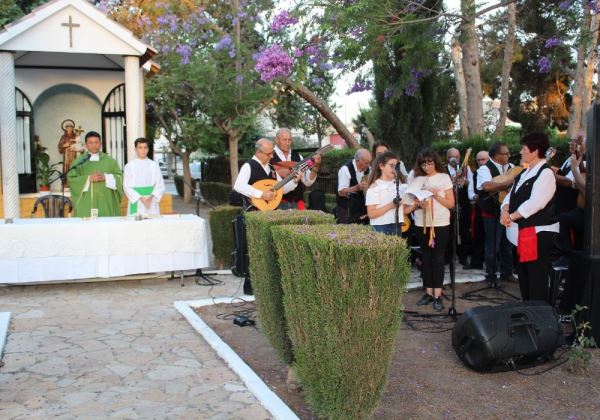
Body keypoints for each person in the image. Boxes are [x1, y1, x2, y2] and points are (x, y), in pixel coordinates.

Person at [501, 132, 559, 302]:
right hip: (523, 232)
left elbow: (536, 203)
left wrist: (511, 216)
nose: (521, 152)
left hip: (539, 233)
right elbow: (510, 196)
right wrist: (505, 211)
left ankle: (538, 313)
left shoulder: (545, 173)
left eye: (524, 148)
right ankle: (528, 308)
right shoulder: (524, 172)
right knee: (524, 274)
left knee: (536, 276)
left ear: (534, 151)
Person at [403, 148, 454, 311]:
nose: (427, 167)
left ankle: (437, 294)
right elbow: (408, 204)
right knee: (426, 257)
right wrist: (418, 203)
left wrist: (435, 195)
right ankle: (428, 292)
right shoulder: (416, 178)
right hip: (421, 222)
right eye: (423, 164)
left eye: (430, 163)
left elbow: (451, 204)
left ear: (435, 162)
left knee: (438, 258)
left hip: (440, 222)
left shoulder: (444, 177)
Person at [476, 142, 515, 284]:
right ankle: (490, 274)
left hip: (509, 212)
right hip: (491, 212)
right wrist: (509, 182)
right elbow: (487, 186)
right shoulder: (484, 169)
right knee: (492, 244)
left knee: (508, 243)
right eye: (506, 153)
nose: (508, 155)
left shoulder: (512, 168)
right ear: (497, 156)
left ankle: (507, 272)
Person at [67, 131, 123, 217]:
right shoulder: (78, 162)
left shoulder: (110, 161)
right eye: (91, 142)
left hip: (106, 201)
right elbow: (71, 179)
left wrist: (106, 177)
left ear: (100, 143)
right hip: (86, 202)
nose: (94, 145)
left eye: (96, 142)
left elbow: (119, 177)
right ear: (86, 144)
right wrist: (88, 179)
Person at [233, 138, 300, 207]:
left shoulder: (271, 168)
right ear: (259, 152)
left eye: (272, 152)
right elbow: (238, 185)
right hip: (253, 212)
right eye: (269, 154)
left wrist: (294, 182)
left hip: (270, 210)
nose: (272, 156)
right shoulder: (248, 166)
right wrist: (261, 194)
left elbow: (281, 190)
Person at [270, 128, 321, 210]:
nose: (287, 143)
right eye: (284, 140)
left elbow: (308, 181)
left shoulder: (298, 156)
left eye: (289, 140)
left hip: (297, 203)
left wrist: (315, 166)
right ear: (276, 140)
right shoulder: (268, 155)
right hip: (276, 203)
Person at [365, 151, 408, 235]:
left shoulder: (399, 185)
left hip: (397, 225)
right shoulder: (375, 187)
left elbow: (404, 211)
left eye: (396, 166)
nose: (394, 169)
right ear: (381, 166)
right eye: (391, 166)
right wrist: (391, 205)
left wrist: (415, 203)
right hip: (380, 227)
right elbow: (371, 214)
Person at [123, 138, 165, 216]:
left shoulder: (154, 165)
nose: (143, 150)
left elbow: (160, 184)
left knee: (152, 223)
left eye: (145, 147)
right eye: (140, 147)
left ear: (148, 149)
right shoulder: (129, 166)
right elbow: (126, 186)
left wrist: (151, 197)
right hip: (136, 200)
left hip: (151, 201)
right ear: (135, 149)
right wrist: (141, 198)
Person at [446, 147, 473, 265]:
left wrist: (464, 182)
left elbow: (472, 184)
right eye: (452, 157)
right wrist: (454, 179)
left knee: (464, 230)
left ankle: (463, 257)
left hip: (463, 204)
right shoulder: (442, 170)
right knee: (449, 230)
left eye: (457, 157)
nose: (455, 159)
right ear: (447, 158)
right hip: (449, 205)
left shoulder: (466, 168)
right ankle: (449, 256)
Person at [463, 150, 489, 269]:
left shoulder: (495, 171)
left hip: (494, 208)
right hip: (479, 208)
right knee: (478, 235)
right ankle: (476, 262)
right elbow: (470, 192)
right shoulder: (475, 174)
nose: (481, 162)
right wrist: (475, 196)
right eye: (478, 160)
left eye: (483, 159)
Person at [336, 148, 373, 224]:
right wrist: (357, 188)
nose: (368, 165)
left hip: (362, 210)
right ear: (358, 160)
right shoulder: (345, 169)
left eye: (369, 163)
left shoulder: (369, 169)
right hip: (347, 211)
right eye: (366, 163)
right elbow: (341, 192)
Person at [58, 119, 84, 185]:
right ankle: (66, 184)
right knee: (67, 168)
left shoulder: (76, 136)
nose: (69, 129)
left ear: (72, 129)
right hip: (67, 155)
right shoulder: (63, 137)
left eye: (70, 128)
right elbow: (60, 146)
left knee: (75, 167)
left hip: (75, 155)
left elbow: (80, 146)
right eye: (68, 128)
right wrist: (64, 145)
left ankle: (75, 183)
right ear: (66, 129)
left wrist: (79, 149)